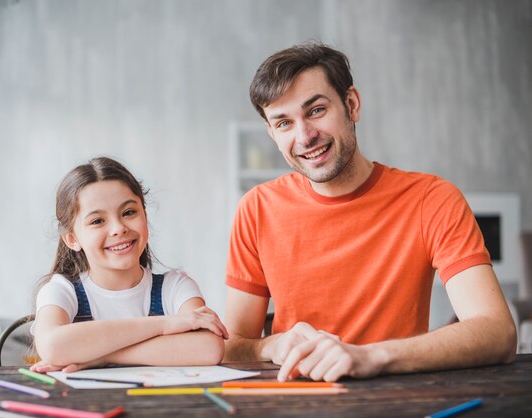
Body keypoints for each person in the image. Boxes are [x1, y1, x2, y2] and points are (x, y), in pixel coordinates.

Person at [223, 41, 516, 382]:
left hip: (397, 398)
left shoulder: (432, 199)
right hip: (296, 399)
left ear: (352, 104)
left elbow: (498, 332)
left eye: (316, 110)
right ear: (271, 133)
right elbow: (233, 345)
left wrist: (370, 356)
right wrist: (269, 347)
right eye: (284, 123)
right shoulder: (256, 209)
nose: (304, 136)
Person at [31, 157, 228, 373]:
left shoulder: (175, 287)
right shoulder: (61, 290)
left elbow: (209, 348)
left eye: (128, 213)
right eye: (97, 221)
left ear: (145, 215)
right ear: (71, 239)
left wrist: (102, 356)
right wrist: (167, 324)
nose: (118, 228)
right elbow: (53, 346)